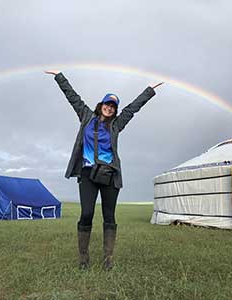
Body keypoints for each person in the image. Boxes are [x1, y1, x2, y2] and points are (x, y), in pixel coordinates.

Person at [45, 70, 163, 270]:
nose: (110, 108)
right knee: (87, 213)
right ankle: (84, 258)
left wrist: (150, 90)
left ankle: (108, 259)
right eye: (108, 104)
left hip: (109, 175)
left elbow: (133, 108)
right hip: (88, 173)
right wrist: (59, 76)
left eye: (113, 106)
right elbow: (72, 96)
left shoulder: (117, 124)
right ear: (101, 105)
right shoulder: (86, 116)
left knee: (109, 216)